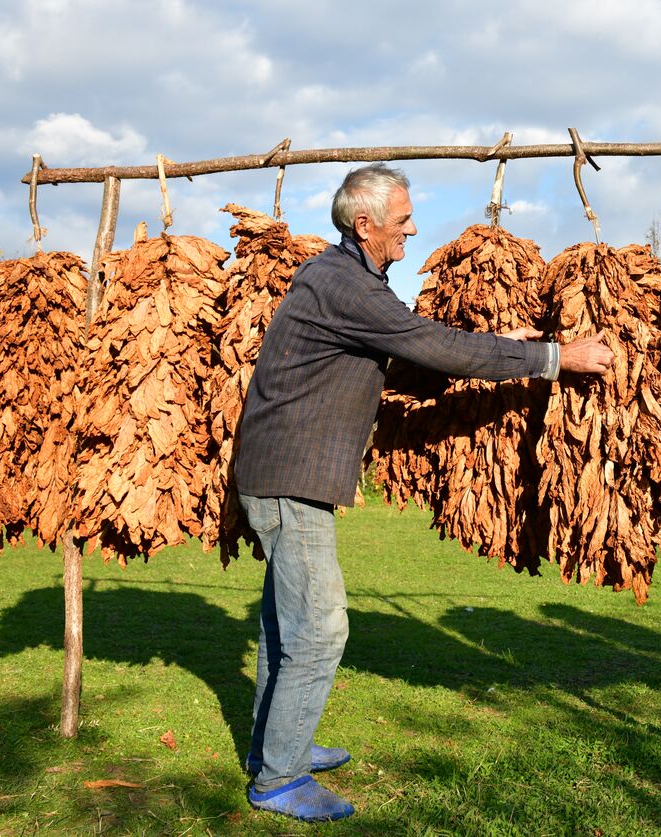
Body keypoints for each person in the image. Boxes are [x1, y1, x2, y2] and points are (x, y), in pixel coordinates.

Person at [232, 163, 612, 822]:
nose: (413, 228)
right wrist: (555, 357)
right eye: (403, 219)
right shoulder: (345, 284)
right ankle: (279, 777)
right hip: (291, 474)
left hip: (281, 468)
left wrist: (499, 344)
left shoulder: (343, 280)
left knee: (281, 622)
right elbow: (430, 343)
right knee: (320, 629)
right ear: (365, 223)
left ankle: (276, 745)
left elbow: (406, 354)